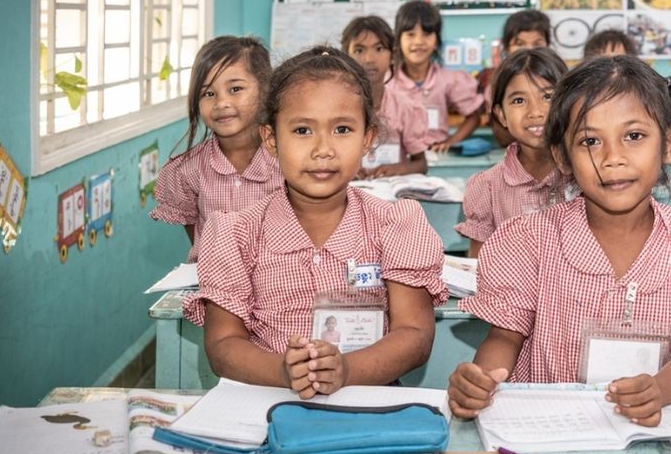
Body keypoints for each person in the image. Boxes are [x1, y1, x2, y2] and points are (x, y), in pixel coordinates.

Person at [447, 55, 671, 424]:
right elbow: (504, 338)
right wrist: (480, 381)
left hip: (644, 429)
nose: (613, 158)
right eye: (590, 141)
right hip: (544, 425)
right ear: (563, 156)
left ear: (669, 144)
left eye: (634, 136)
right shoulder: (527, 240)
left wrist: (657, 390)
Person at [184, 46, 449, 394]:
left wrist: (345, 370)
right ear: (271, 139)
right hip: (265, 404)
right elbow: (222, 344)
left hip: (367, 405)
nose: (323, 149)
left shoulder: (395, 223)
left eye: (341, 129)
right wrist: (281, 371)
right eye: (302, 131)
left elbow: (415, 335)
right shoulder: (236, 233)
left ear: (367, 138)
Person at [150, 36, 282, 262]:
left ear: (265, 89)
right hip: (214, 288)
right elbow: (198, 239)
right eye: (209, 94)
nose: (221, 103)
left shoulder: (288, 160)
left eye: (235, 89)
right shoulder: (187, 170)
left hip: (279, 282)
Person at [456, 48, 571, 257]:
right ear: (501, 114)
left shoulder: (585, 175)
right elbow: (478, 267)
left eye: (547, 96)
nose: (535, 111)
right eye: (519, 100)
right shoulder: (488, 187)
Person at [385, 0, 484, 152]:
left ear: (437, 40)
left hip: (435, 158)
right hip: (398, 162)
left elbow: (474, 116)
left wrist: (451, 142)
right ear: (398, 40)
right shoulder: (387, 81)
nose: (418, 42)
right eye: (410, 34)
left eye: (427, 34)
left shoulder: (449, 80)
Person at [342, 15, 429, 178]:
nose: (369, 59)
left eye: (379, 49)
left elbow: (421, 164)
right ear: (346, 57)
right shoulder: (335, 108)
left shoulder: (406, 107)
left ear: (392, 55)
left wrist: (399, 169)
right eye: (359, 50)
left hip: (392, 193)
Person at [477, 9, 553, 147]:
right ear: (506, 47)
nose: (529, 49)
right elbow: (503, 137)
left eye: (537, 44)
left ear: (548, 45)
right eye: (520, 43)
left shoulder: (558, 77)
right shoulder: (498, 81)